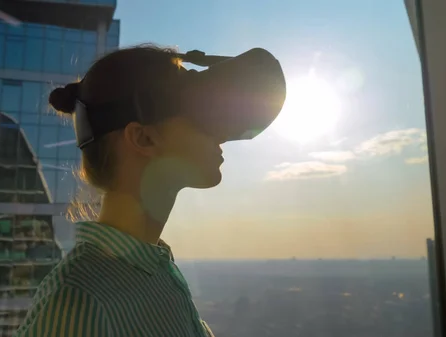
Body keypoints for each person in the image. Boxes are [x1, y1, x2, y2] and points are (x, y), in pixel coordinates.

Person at [14, 44, 285, 337]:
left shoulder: (152, 271)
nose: (220, 133)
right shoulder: (80, 301)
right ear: (143, 138)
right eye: (200, 114)